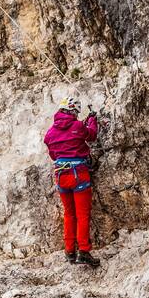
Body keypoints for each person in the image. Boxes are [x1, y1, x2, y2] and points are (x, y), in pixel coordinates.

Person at [44, 98, 100, 267]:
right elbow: (91, 134)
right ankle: (83, 251)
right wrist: (91, 120)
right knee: (82, 214)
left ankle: (69, 251)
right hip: (78, 173)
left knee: (69, 213)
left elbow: (54, 154)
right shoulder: (77, 126)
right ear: (74, 111)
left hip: (61, 174)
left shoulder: (50, 132)